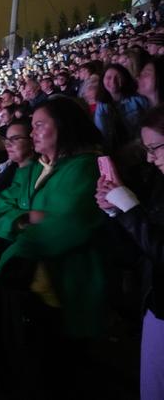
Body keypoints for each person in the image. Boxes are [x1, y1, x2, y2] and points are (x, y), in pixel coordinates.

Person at [0, 97, 107, 398]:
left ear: (64, 127)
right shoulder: (31, 170)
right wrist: (25, 218)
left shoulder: (85, 168)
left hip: (69, 296)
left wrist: (20, 237)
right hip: (36, 297)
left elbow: (65, 228)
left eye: (40, 125)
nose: (32, 133)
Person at [95, 106, 164, 400]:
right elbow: (140, 250)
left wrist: (130, 209)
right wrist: (116, 210)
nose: (150, 158)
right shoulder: (161, 181)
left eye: (156, 148)